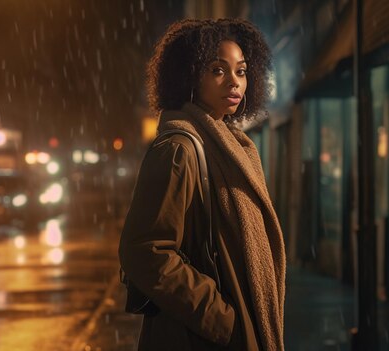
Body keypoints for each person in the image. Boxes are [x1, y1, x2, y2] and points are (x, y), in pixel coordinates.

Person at [118, 18, 286, 351]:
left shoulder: (234, 147)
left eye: (241, 71)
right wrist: (221, 319)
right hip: (198, 338)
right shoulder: (179, 149)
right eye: (217, 70)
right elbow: (145, 251)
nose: (234, 82)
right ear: (189, 76)